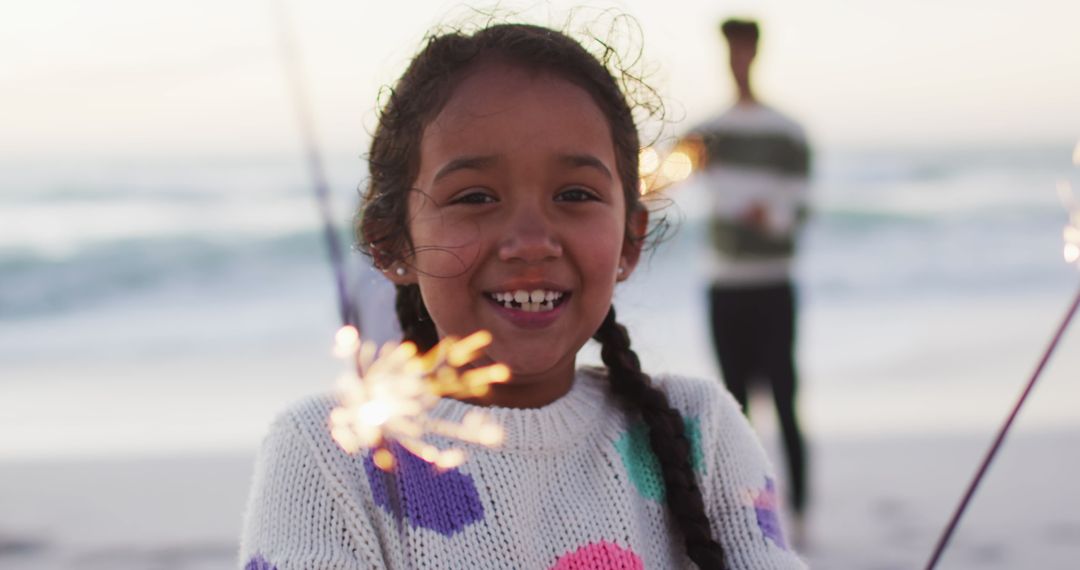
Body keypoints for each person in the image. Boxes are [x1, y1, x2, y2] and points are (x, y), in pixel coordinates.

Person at [240, 22, 806, 570]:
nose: (531, 243)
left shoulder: (700, 430)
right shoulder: (328, 453)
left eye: (575, 193)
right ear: (393, 243)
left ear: (629, 240)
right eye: (477, 196)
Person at [680, 18, 811, 531]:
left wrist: (768, 216)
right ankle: (746, 513)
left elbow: (797, 213)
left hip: (773, 281)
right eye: (730, 50)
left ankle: (799, 512)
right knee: (733, 406)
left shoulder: (787, 131)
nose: (737, 60)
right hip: (723, 282)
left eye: (743, 50)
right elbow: (671, 173)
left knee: (784, 397)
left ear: (755, 52)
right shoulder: (708, 132)